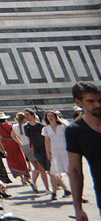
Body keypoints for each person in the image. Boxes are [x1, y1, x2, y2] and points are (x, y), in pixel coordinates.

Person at [68, 80, 101, 221]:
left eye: (100, 100)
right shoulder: (75, 130)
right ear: (78, 102)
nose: (97, 105)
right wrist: (78, 209)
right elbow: (75, 170)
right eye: (91, 101)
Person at [0, 112, 30, 190]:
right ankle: (25, 176)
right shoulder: (10, 125)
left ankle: (20, 176)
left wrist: (0, 146)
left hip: (6, 143)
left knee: (12, 160)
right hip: (14, 142)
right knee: (20, 158)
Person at [43, 108, 70, 200]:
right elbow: (47, 141)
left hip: (65, 151)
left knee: (69, 171)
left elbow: (69, 127)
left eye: (52, 116)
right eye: (48, 116)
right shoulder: (46, 129)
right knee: (53, 173)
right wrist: (48, 152)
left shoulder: (62, 126)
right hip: (55, 152)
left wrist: (59, 120)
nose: (50, 117)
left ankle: (77, 193)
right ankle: (54, 193)